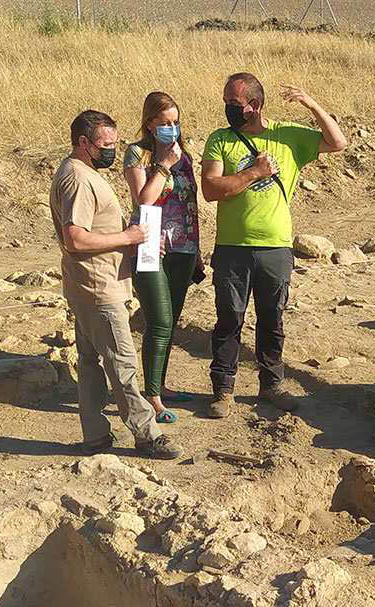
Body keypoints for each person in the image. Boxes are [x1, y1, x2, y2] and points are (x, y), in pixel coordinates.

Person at [200, 72, 348, 418]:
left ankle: (271, 385)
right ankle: (223, 390)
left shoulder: (286, 136)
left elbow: (338, 142)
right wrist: (254, 173)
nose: (228, 109)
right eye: (225, 103)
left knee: (272, 318)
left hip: (275, 247)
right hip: (232, 246)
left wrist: (312, 104)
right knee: (229, 319)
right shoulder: (220, 140)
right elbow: (211, 189)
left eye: (234, 104)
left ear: (255, 105)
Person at [49, 109, 179, 460]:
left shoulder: (80, 171)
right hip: (97, 285)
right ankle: (147, 434)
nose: (111, 149)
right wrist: (128, 236)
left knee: (91, 364)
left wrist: (134, 241)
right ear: (83, 142)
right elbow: (75, 238)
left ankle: (95, 436)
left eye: (115, 143)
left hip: (89, 282)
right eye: (105, 144)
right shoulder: (77, 178)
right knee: (121, 362)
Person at [123, 91, 204, 424]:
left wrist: (197, 248)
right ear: (149, 123)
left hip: (183, 245)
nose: (172, 128)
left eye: (176, 121)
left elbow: (191, 201)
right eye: (165, 123)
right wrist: (164, 165)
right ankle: (152, 396)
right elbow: (144, 200)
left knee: (172, 321)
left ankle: (161, 384)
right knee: (159, 321)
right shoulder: (137, 154)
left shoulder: (183, 154)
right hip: (150, 244)